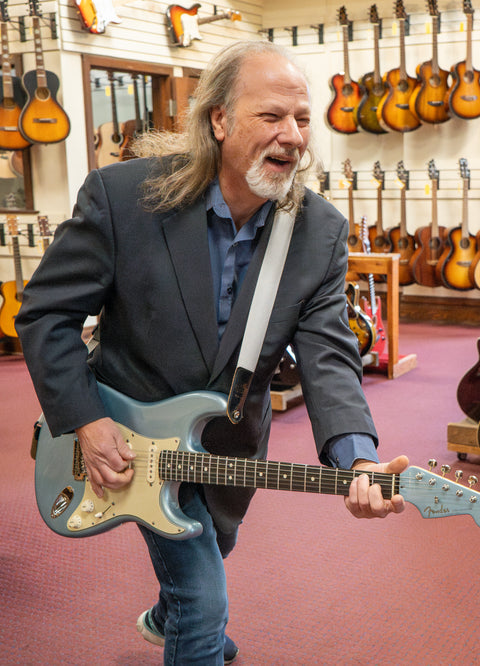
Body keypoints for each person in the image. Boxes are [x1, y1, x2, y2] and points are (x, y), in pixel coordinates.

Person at [16, 40, 409, 665]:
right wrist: (87, 422)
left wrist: (358, 460)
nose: (293, 136)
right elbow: (45, 314)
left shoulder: (319, 234)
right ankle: (192, 625)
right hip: (123, 428)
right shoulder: (123, 199)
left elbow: (330, 358)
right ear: (219, 120)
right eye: (271, 117)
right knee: (204, 601)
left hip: (229, 448)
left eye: (303, 120)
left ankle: (167, 612)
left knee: (209, 553)